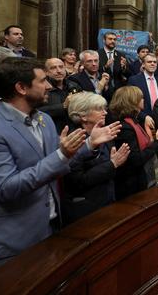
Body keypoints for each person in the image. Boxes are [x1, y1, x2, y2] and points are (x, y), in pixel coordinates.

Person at [0, 57, 119, 281]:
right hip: (6, 245)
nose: (48, 86)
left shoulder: (43, 119)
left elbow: (56, 166)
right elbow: (7, 188)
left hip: (49, 232)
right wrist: (62, 154)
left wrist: (88, 146)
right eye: (43, 80)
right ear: (21, 88)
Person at [63, 92, 130, 225]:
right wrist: (112, 164)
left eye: (104, 108)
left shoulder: (104, 132)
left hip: (107, 201)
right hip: (86, 211)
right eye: (99, 109)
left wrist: (115, 163)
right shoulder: (72, 139)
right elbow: (77, 180)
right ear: (83, 116)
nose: (105, 112)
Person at [110, 86, 158, 199]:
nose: (144, 100)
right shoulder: (125, 128)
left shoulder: (134, 121)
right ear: (132, 101)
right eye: (141, 98)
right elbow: (136, 159)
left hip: (143, 179)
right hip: (132, 187)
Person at [39, 58, 72, 132]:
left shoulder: (73, 85)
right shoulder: (42, 89)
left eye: (61, 67)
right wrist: (63, 106)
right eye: (53, 68)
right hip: (52, 132)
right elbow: (36, 112)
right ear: (46, 72)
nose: (59, 71)